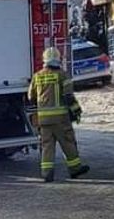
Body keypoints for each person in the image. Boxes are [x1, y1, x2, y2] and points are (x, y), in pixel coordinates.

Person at [28, 47, 89, 183]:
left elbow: (30, 96)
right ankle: (75, 169)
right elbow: (68, 97)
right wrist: (77, 110)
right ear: (58, 59)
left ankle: (47, 173)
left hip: (43, 120)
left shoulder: (37, 76)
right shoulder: (62, 75)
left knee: (46, 146)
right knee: (68, 143)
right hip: (61, 119)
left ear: (45, 60)